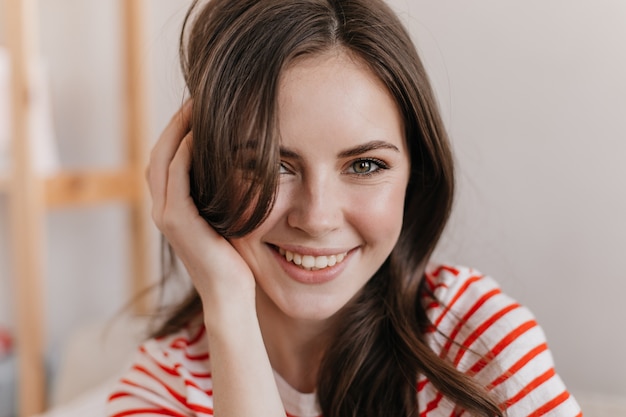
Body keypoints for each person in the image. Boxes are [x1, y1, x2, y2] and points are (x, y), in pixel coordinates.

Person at [107, 0, 582, 416]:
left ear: (415, 173)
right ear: (198, 173)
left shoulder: (473, 337)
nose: (316, 218)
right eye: (271, 166)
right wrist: (228, 306)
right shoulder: (162, 387)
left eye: (366, 165)